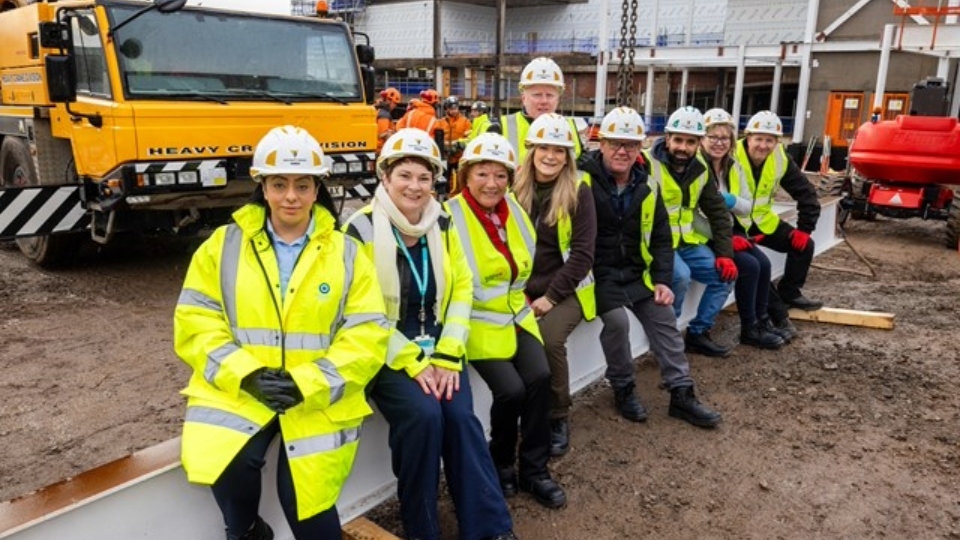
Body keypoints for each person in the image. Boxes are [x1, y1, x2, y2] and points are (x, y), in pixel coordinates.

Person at [173, 125, 390, 540]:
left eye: (302, 184)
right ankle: (248, 531)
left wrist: (308, 382)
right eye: (279, 184)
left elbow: (366, 333)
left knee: (307, 504)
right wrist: (247, 375)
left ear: (317, 188)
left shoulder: (347, 254)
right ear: (263, 186)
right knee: (231, 466)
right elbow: (196, 318)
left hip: (316, 397)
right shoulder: (223, 245)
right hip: (243, 391)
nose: (291, 195)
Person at [342, 128, 518, 540]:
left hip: (438, 345)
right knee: (423, 417)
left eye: (424, 177)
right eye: (404, 174)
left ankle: (489, 528)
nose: (415, 186)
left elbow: (461, 289)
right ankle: (423, 529)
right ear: (385, 177)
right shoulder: (360, 229)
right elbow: (360, 311)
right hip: (385, 346)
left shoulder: (442, 223)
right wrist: (412, 360)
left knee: (460, 419)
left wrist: (446, 354)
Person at [578, 107, 722, 428]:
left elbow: (661, 237)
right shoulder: (581, 179)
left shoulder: (647, 185)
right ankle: (624, 387)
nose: (622, 151)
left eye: (630, 145)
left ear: (640, 147)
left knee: (664, 317)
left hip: (634, 273)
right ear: (601, 144)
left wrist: (662, 280)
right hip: (597, 276)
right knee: (617, 324)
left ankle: (682, 392)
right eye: (615, 142)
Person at [446, 133, 567, 509]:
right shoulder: (448, 216)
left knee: (541, 379)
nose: (492, 184)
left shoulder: (514, 209)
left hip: (517, 315)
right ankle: (501, 464)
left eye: (501, 175)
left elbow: (529, 261)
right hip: (475, 323)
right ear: (466, 175)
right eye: (483, 174)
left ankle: (535, 470)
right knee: (511, 391)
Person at [512, 113, 596, 457]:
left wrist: (549, 297)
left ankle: (558, 413)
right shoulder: (512, 189)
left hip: (568, 289)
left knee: (548, 339)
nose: (550, 156)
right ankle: (522, 412)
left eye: (559, 150)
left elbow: (582, 255)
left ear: (568, 156)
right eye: (544, 147)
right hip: (521, 287)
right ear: (531, 150)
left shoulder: (578, 191)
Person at [643, 106, 737, 358]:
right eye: (678, 140)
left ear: (698, 143)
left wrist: (724, 253)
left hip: (686, 242)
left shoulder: (701, 169)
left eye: (690, 142)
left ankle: (697, 334)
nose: (683, 147)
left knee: (725, 277)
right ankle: (666, 341)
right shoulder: (647, 164)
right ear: (667, 138)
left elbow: (717, 213)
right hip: (655, 243)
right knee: (680, 277)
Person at [731, 111, 822, 338]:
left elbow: (806, 193)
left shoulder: (780, 157)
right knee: (757, 265)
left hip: (762, 222)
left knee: (804, 246)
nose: (763, 145)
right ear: (747, 137)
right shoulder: (730, 155)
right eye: (758, 139)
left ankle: (789, 292)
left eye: (769, 140)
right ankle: (777, 314)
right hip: (735, 224)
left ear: (777, 142)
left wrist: (804, 228)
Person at [700, 108, 785, 349]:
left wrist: (730, 200)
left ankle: (761, 320)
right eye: (712, 137)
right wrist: (724, 238)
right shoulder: (698, 167)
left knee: (764, 264)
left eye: (724, 138)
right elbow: (694, 214)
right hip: (705, 234)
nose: (719, 143)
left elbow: (746, 206)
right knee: (748, 266)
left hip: (727, 231)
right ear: (702, 140)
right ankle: (749, 327)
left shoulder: (732, 166)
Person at [490, 57, 582, 162]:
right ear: (523, 98)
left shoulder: (570, 126)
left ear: (558, 99)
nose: (544, 101)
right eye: (537, 95)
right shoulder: (501, 126)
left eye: (550, 95)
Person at [436, 96, 473, 194]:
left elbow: (469, 138)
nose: (454, 111)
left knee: (462, 180)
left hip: (460, 157)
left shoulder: (465, 122)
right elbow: (437, 139)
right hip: (446, 157)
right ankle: (445, 197)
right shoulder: (440, 123)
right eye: (451, 108)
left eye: (455, 108)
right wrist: (445, 148)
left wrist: (458, 146)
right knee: (444, 179)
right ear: (446, 109)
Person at [376, 87, 402, 155]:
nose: (395, 106)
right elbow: (383, 134)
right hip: (380, 150)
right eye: (394, 103)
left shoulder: (378, 110)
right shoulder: (384, 114)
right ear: (389, 100)